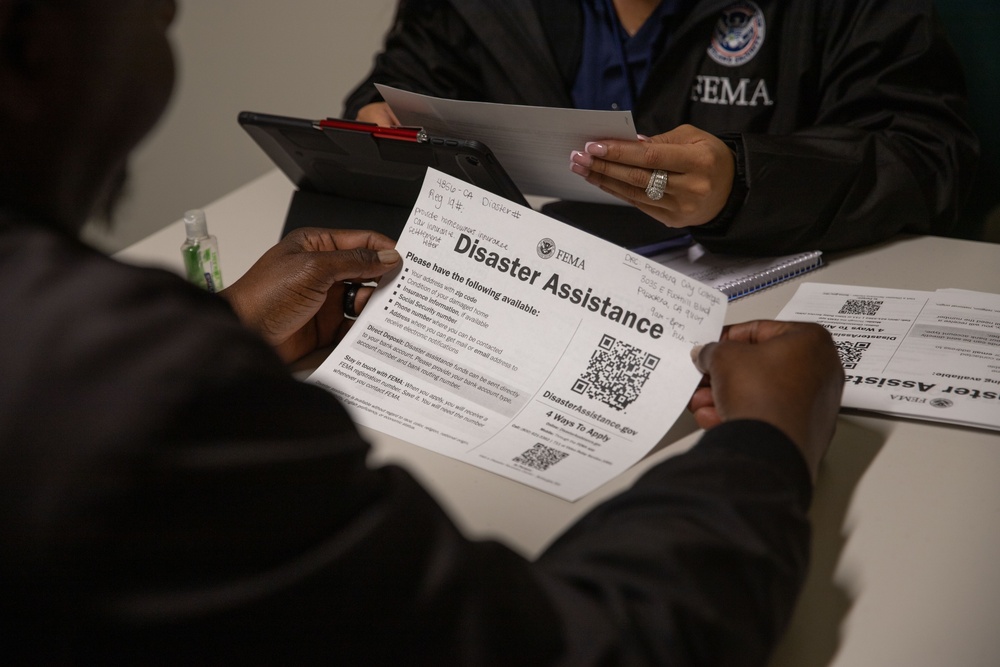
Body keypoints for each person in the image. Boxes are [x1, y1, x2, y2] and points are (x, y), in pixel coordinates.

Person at [1, 1, 844, 664]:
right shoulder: (133, 394)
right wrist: (765, 445)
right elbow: (578, 646)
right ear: (31, 32)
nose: (172, 15)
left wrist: (226, 330)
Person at [344, 0, 979, 254]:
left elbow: (934, 160)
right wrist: (378, 125)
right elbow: (398, 82)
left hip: (762, 307)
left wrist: (744, 183)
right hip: (530, 292)